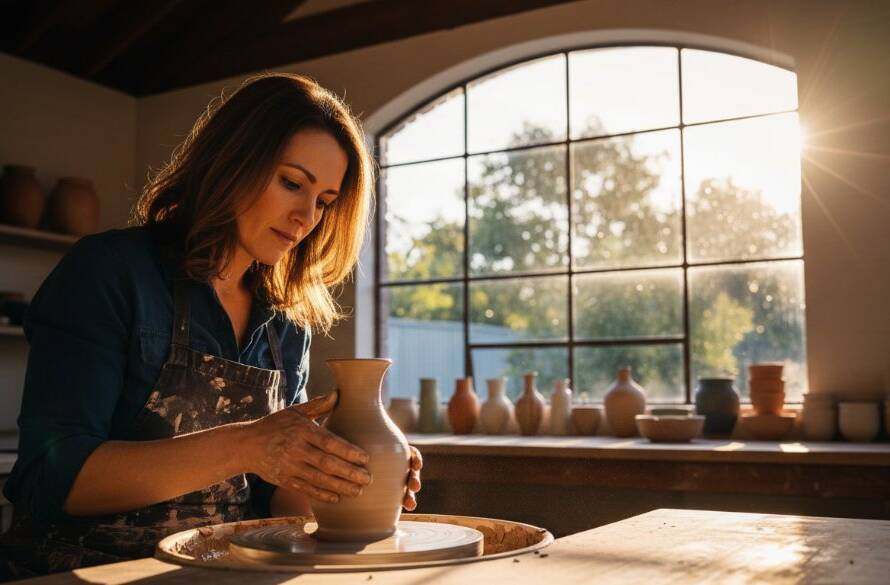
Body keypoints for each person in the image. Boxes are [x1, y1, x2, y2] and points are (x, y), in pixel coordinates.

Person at [0, 72, 422, 580]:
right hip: (77, 571)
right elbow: (50, 477)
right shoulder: (111, 272)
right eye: (292, 183)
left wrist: (338, 478)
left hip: (221, 571)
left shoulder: (286, 323)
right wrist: (247, 444)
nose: (306, 216)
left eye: (325, 201)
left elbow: (273, 497)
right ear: (232, 163)